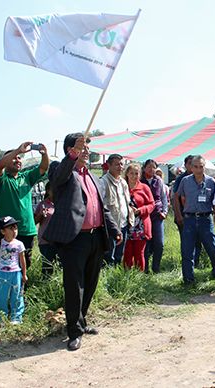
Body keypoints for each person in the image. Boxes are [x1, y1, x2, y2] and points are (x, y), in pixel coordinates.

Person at [44, 133, 121, 351]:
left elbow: (101, 206)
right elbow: (58, 179)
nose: (86, 151)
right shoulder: (62, 170)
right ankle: (74, 332)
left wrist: (113, 228)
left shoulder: (93, 176)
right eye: (81, 147)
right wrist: (72, 155)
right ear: (71, 149)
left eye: (87, 147)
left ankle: (81, 321)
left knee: (90, 282)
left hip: (96, 236)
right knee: (74, 286)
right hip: (74, 238)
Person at [0, 142, 49, 268]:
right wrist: (18, 150)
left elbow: (43, 168)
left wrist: (44, 154)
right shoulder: (1, 180)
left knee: (24, 266)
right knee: (4, 266)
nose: (18, 160)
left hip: (27, 230)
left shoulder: (27, 177)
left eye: (19, 158)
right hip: (6, 231)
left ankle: (22, 288)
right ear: (6, 162)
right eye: (14, 158)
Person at [176, 155, 215, 285]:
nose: (198, 169)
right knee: (187, 250)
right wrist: (179, 214)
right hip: (189, 218)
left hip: (205, 219)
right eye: (195, 166)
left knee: (213, 248)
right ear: (191, 167)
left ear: (204, 167)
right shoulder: (185, 181)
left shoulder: (211, 182)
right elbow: (179, 197)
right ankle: (188, 280)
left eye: (201, 166)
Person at [0, 216, 27, 324]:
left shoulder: (19, 244)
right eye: (11, 228)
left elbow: (22, 261)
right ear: (3, 231)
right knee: (1, 297)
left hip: (15, 273)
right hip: (1, 274)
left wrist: (24, 274)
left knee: (17, 296)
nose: (14, 231)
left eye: (15, 228)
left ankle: (16, 318)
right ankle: (1, 318)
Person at [100, 154, 132, 266]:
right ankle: (107, 281)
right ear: (109, 165)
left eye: (121, 164)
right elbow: (101, 206)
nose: (120, 167)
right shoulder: (103, 182)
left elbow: (127, 202)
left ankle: (116, 280)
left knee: (119, 256)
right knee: (109, 257)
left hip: (123, 224)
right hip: (111, 227)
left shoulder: (123, 182)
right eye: (117, 164)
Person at [124, 163, 154, 271]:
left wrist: (140, 210)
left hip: (140, 226)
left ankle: (139, 278)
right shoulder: (123, 186)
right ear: (127, 174)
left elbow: (152, 204)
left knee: (139, 253)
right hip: (126, 225)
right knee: (127, 253)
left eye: (136, 173)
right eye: (131, 173)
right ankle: (126, 277)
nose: (134, 176)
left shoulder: (144, 188)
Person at [141, 159, 168, 273]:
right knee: (146, 243)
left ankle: (156, 267)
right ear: (144, 168)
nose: (151, 169)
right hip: (144, 215)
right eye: (149, 167)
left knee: (159, 243)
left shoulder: (158, 181)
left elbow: (163, 197)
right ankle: (145, 268)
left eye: (153, 167)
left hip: (157, 215)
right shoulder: (140, 181)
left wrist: (165, 211)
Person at [34, 182, 58, 276]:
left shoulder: (62, 203)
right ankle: (45, 286)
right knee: (47, 266)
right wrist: (40, 215)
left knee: (60, 265)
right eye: (53, 189)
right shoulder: (43, 204)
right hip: (45, 240)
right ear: (48, 191)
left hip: (59, 240)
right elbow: (35, 222)